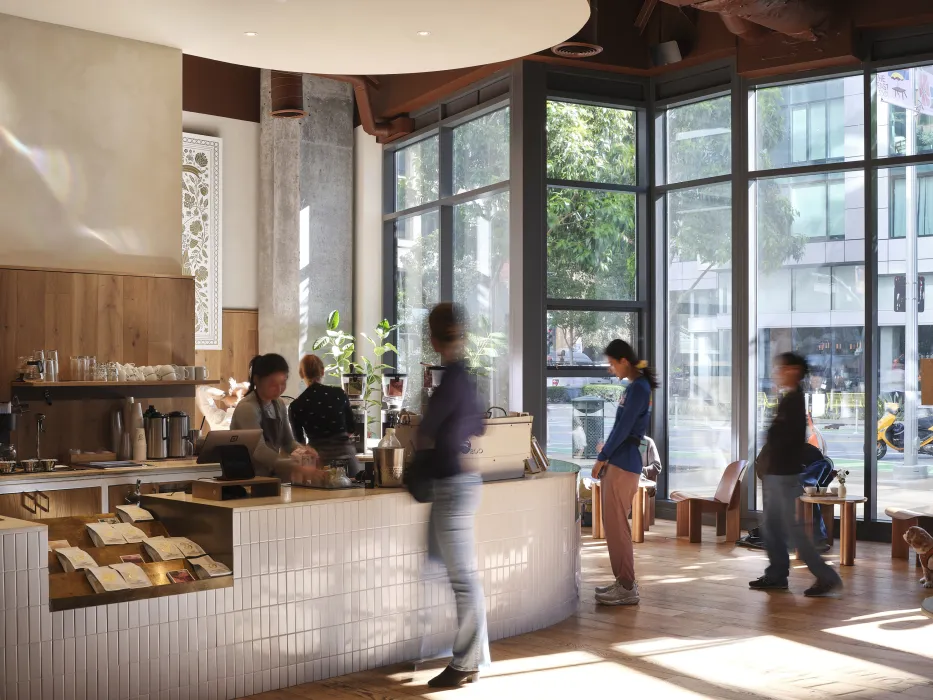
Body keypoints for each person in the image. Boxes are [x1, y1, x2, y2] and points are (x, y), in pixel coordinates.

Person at [415, 303, 489, 688]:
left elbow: (425, 431)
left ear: (433, 339)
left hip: (451, 486)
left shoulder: (451, 382)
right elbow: (479, 426)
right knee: (448, 569)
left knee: (462, 580)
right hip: (462, 482)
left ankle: (466, 663)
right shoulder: (466, 379)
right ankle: (470, 657)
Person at [750, 352, 843, 597]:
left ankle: (826, 577)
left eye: (780, 368)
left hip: (782, 475)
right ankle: (777, 574)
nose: (776, 373)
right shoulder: (789, 398)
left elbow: (787, 441)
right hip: (777, 474)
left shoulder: (794, 401)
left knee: (793, 531)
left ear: (793, 371)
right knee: (773, 529)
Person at [592, 339, 658, 607]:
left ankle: (627, 586)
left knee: (617, 527)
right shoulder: (635, 387)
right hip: (620, 462)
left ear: (623, 361)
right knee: (614, 526)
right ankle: (623, 581)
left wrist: (602, 458)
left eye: (612, 363)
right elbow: (620, 427)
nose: (611, 369)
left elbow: (624, 428)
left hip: (623, 464)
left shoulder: (639, 388)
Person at [230, 353, 316, 478]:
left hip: (269, 476)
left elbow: (288, 442)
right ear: (257, 380)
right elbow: (259, 450)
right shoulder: (247, 408)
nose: (279, 388)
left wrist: (304, 451)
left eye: (283, 382)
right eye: (273, 384)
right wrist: (293, 466)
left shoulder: (279, 404)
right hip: (247, 477)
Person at [288, 354, 361, 477]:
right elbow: (351, 428)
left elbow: (300, 441)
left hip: (319, 460)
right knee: (354, 487)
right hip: (346, 456)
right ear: (322, 371)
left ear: (301, 374)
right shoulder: (339, 394)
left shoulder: (296, 405)